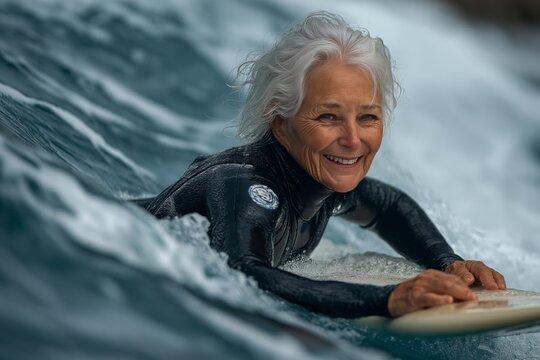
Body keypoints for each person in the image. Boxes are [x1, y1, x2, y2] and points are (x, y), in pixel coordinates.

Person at [139, 12, 506, 318]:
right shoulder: (244, 186)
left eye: (367, 117)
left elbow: (389, 206)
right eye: (328, 116)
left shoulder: (321, 182)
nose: (352, 139)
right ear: (281, 124)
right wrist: (386, 300)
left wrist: (448, 262)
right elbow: (246, 273)